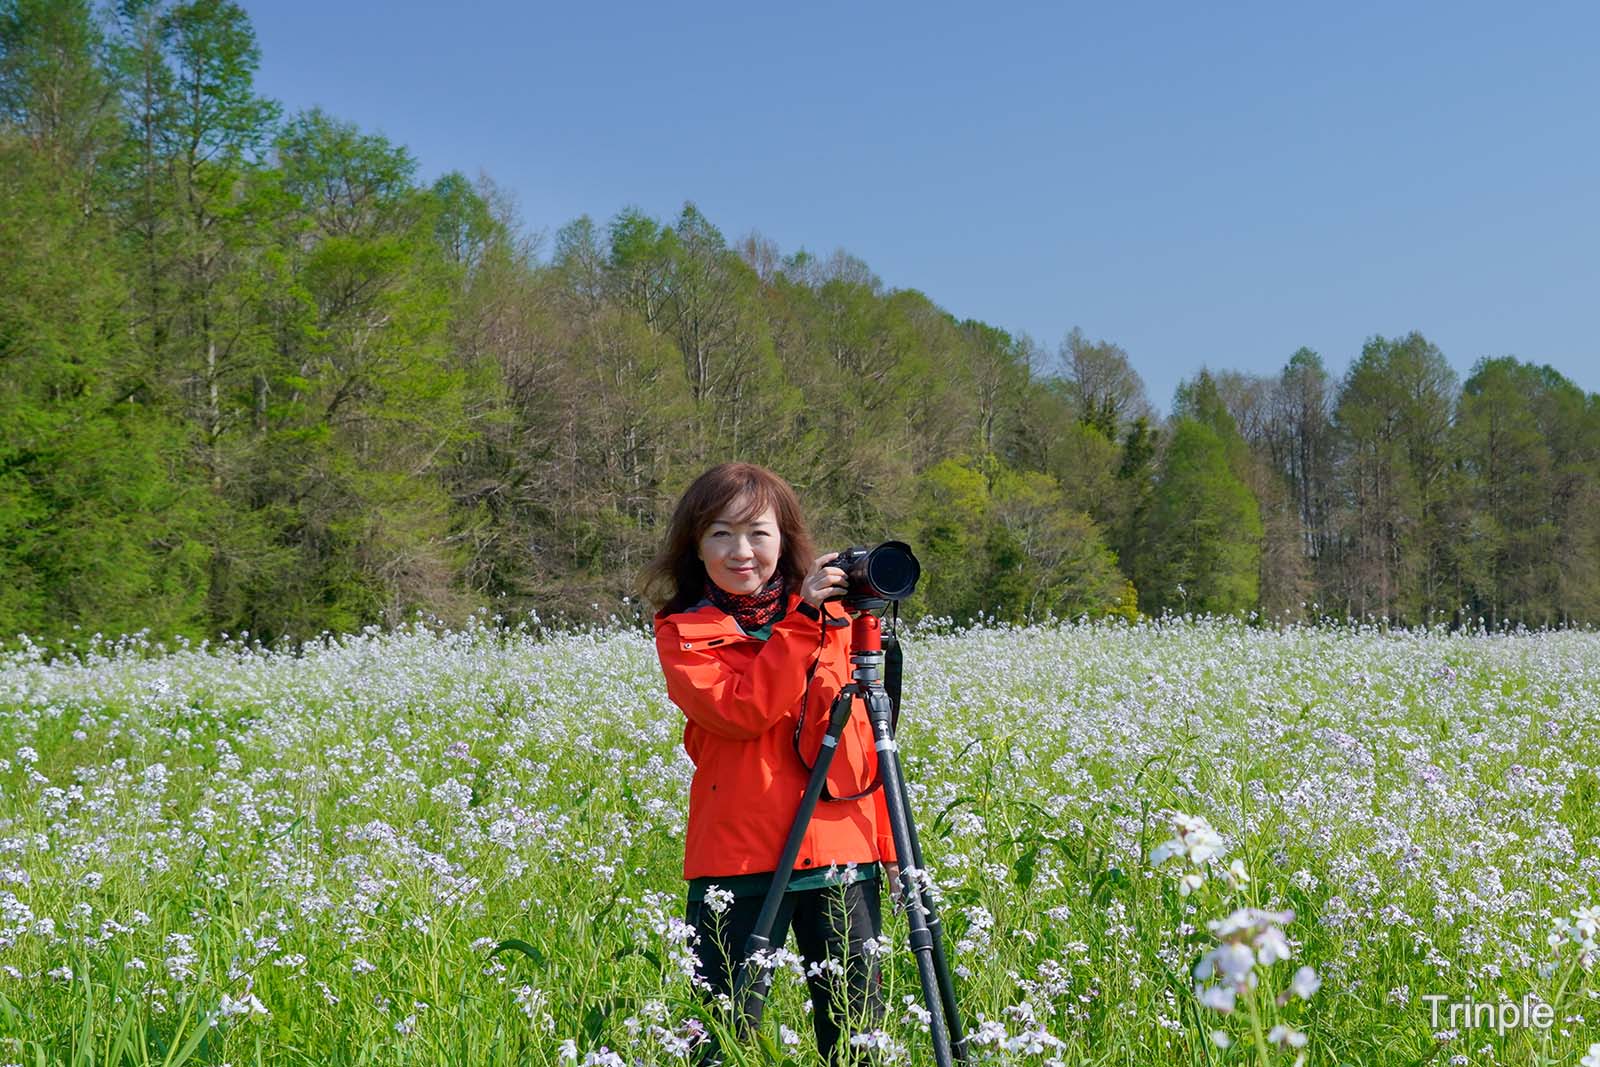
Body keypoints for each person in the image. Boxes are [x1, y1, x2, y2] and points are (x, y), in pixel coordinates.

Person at [642, 462, 897, 1065]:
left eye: (759, 532)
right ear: (695, 547)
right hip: (741, 857)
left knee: (857, 1035)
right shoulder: (684, 633)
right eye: (721, 534)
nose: (742, 551)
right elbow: (742, 712)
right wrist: (803, 622)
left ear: (785, 540)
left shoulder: (835, 619)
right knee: (723, 1034)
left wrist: (887, 850)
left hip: (842, 848)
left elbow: (864, 739)